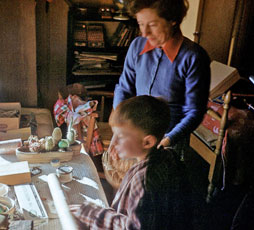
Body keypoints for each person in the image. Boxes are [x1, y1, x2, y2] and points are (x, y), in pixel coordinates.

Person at [70, 95, 192, 229]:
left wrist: (90, 213)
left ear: (147, 142)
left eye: (120, 136)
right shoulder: (166, 158)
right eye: (114, 134)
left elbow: (134, 227)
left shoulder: (143, 180)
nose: (114, 143)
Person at [113, 0, 211, 154]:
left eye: (152, 25)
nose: (145, 33)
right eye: (140, 23)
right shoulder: (137, 46)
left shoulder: (194, 57)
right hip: (133, 136)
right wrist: (120, 127)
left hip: (170, 143)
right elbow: (124, 88)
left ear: (172, 20)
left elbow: (194, 111)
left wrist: (167, 140)